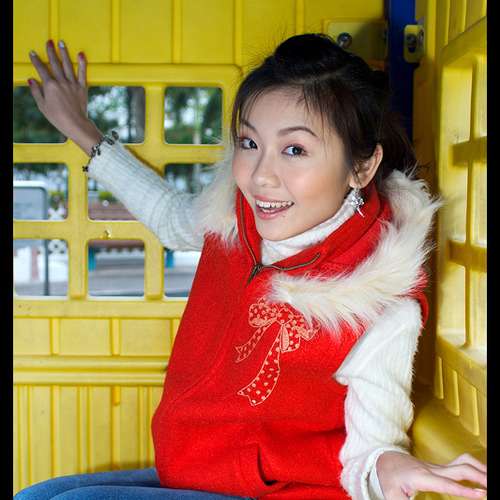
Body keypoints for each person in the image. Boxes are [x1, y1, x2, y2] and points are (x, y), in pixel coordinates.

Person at [16, 34, 486, 500]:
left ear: (361, 168)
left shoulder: (377, 293)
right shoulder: (234, 214)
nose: (260, 175)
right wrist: (79, 126)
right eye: (249, 142)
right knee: (41, 496)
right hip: (197, 471)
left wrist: (388, 466)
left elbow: (371, 447)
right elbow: (171, 216)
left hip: (279, 493)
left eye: (295, 150)